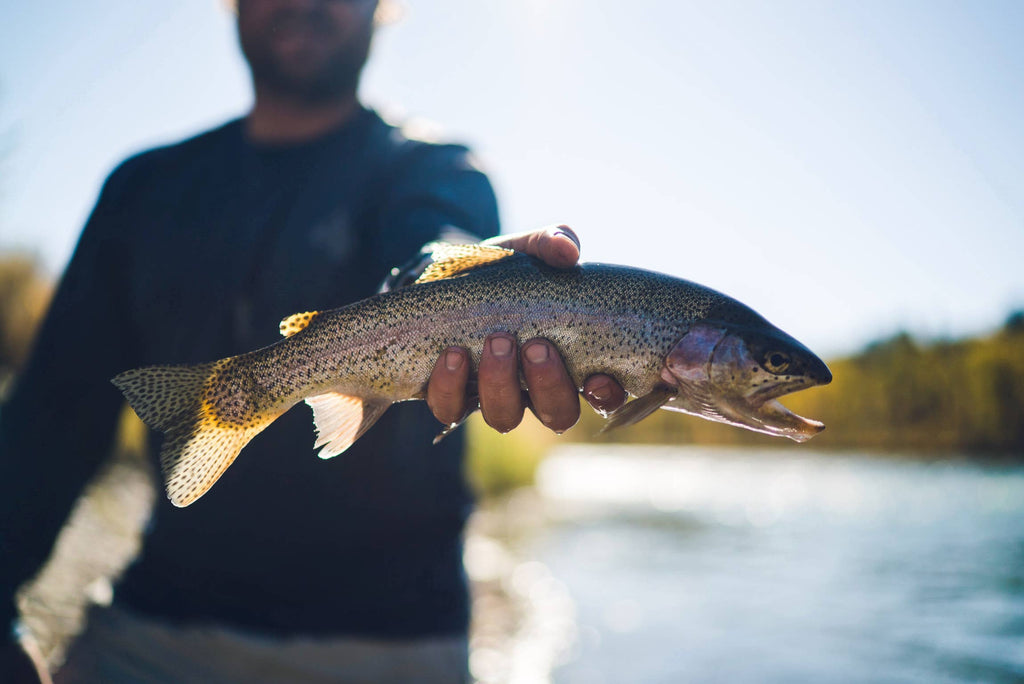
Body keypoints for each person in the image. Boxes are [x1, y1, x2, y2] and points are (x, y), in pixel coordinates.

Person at [0, 0, 626, 682]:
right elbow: (53, 420)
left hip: (394, 649)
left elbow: (433, 249)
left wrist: (448, 285)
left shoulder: (438, 172)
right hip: (152, 633)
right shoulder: (142, 190)